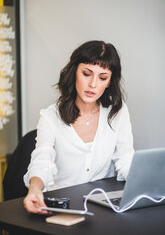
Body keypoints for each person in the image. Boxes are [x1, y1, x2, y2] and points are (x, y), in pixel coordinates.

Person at [23, 40, 134, 214]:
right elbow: (41, 161)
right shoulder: (51, 116)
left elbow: (126, 160)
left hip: (103, 210)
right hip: (61, 207)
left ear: (109, 82)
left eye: (102, 77)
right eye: (87, 74)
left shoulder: (117, 112)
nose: (93, 84)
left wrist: (148, 185)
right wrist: (35, 189)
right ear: (74, 72)